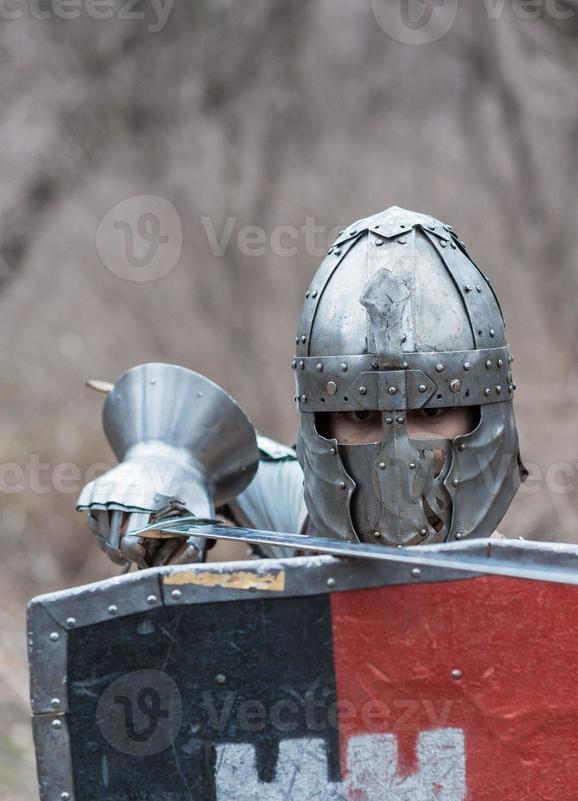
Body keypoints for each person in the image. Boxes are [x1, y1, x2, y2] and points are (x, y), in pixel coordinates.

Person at [78, 205, 527, 566]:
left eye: (430, 412)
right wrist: (162, 474)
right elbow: (217, 460)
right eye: (360, 414)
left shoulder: (538, 591)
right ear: (320, 426)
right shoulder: (300, 523)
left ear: (488, 420)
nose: (397, 455)